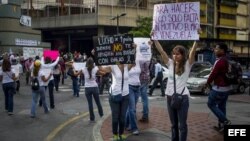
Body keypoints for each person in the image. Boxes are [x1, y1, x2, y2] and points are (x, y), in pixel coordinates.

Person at [152, 34, 199, 141]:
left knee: (182, 125)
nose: (175, 56)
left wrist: (196, 38)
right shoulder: (170, 64)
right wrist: (155, 40)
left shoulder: (188, 64)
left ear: (183, 55)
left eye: (178, 54)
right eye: (173, 54)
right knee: (173, 125)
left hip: (182, 98)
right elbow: (162, 52)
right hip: (169, 97)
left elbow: (192, 52)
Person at [96, 52, 136, 141]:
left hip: (125, 95)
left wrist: (134, 49)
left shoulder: (127, 66)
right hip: (115, 94)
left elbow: (133, 60)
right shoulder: (113, 66)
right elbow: (102, 69)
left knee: (122, 118)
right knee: (115, 117)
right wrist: (97, 56)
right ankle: (115, 134)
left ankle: (121, 134)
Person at [206, 43, 232, 132]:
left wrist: (207, 83)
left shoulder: (220, 61)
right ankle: (222, 127)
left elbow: (213, 74)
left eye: (217, 49)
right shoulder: (226, 59)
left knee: (210, 104)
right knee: (222, 106)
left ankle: (225, 121)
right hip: (227, 88)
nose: (214, 50)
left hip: (219, 88)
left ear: (222, 50)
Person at [80, 57, 103, 122]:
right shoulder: (95, 68)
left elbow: (76, 74)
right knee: (98, 102)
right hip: (95, 87)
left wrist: (73, 68)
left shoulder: (83, 69)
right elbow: (102, 73)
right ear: (93, 63)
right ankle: (101, 114)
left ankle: (92, 118)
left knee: (90, 104)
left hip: (87, 88)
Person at [125, 61, 141, 135]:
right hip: (129, 87)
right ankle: (134, 128)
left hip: (137, 87)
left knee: (130, 109)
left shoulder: (137, 62)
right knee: (132, 109)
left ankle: (126, 124)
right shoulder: (126, 64)